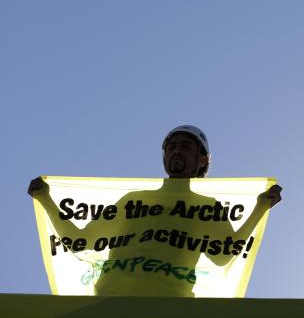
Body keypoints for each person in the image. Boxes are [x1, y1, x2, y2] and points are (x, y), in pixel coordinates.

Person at [28, 125, 282, 296]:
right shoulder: (134, 200)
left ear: (203, 160)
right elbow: (80, 241)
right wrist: (45, 199)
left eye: (185, 146)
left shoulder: (207, 207)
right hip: (109, 301)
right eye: (171, 147)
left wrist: (261, 208)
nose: (176, 151)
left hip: (172, 305)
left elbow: (223, 255)